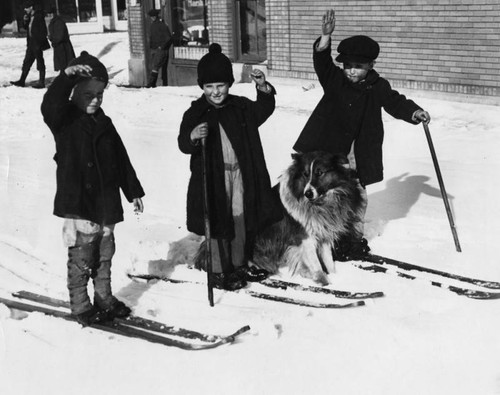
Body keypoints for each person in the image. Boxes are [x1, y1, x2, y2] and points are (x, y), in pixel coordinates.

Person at [293, 10, 431, 260]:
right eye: (347, 66)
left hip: (358, 153)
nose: (352, 72)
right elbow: (322, 63)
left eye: (358, 67)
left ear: (371, 66)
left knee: (357, 197)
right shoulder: (335, 80)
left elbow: (394, 102)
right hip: (330, 153)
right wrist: (325, 38)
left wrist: (413, 112)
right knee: (323, 197)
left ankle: (352, 241)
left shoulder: (378, 86)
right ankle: (322, 239)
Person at [41, 51, 145, 326]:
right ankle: (80, 304)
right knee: (82, 257)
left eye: (100, 94)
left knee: (105, 253)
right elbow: (50, 105)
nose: (96, 100)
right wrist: (65, 78)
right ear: (74, 93)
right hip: (79, 202)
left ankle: (104, 297)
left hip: (105, 202)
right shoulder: (63, 120)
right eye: (88, 94)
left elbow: (121, 159)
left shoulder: (105, 123)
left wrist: (132, 190)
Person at [178, 43, 282, 291]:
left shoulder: (241, 107)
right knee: (216, 222)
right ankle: (217, 270)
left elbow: (264, 109)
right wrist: (193, 135)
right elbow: (183, 143)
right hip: (214, 179)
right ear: (202, 87)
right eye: (209, 86)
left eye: (221, 85)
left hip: (241, 175)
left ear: (230, 84)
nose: (215, 92)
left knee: (240, 218)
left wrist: (263, 87)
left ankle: (237, 265)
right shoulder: (196, 112)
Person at [10, 0, 50, 88]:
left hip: (37, 43)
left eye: (26, 8)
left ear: (31, 7)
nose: (25, 10)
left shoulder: (39, 16)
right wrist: (25, 21)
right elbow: (26, 28)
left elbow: (43, 30)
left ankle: (41, 82)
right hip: (31, 43)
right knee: (27, 61)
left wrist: (39, 42)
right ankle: (22, 80)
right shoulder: (29, 16)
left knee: (40, 62)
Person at [146, 9, 172, 88]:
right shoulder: (152, 25)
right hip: (154, 49)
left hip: (160, 50)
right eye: (151, 16)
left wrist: (161, 47)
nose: (152, 18)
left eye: (153, 16)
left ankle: (151, 84)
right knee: (154, 66)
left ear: (156, 16)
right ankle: (153, 84)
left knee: (155, 67)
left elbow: (168, 38)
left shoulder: (162, 25)